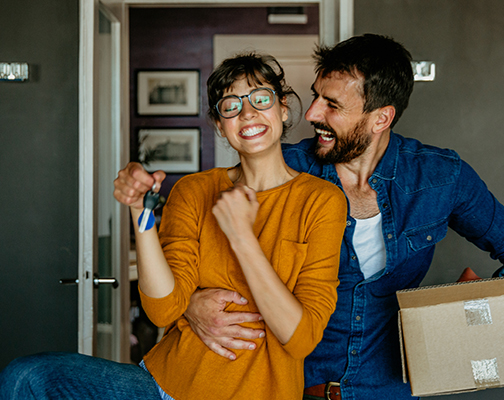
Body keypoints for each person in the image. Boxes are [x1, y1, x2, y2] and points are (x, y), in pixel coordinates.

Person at [184, 34, 504, 399]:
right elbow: (196, 248)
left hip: (392, 390)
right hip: (289, 388)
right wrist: (190, 304)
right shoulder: (284, 169)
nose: (313, 113)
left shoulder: (439, 176)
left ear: (380, 118)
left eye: (332, 105)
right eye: (317, 96)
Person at [0, 53, 347, 400]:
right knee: (26, 377)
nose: (247, 113)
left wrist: (242, 237)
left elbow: (300, 338)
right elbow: (163, 308)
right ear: (219, 124)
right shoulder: (193, 191)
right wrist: (141, 212)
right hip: (163, 385)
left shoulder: (321, 200)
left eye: (260, 98)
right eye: (230, 105)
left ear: (283, 108)